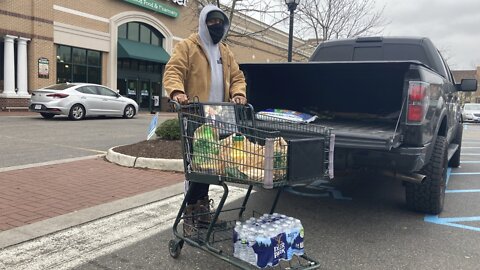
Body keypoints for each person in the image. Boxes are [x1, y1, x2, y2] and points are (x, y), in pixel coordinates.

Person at [163, 4, 247, 234]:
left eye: (220, 22)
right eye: (212, 22)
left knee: (211, 167)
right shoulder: (188, 47)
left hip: (220, 117)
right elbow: (173, 71)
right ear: (203, 22)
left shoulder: (225, 51)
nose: (216, 26)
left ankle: (202, 211)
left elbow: (238, 76)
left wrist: (238, 94)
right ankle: (191, 214)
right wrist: (177, 92)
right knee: (197, 167)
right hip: (195, 115)